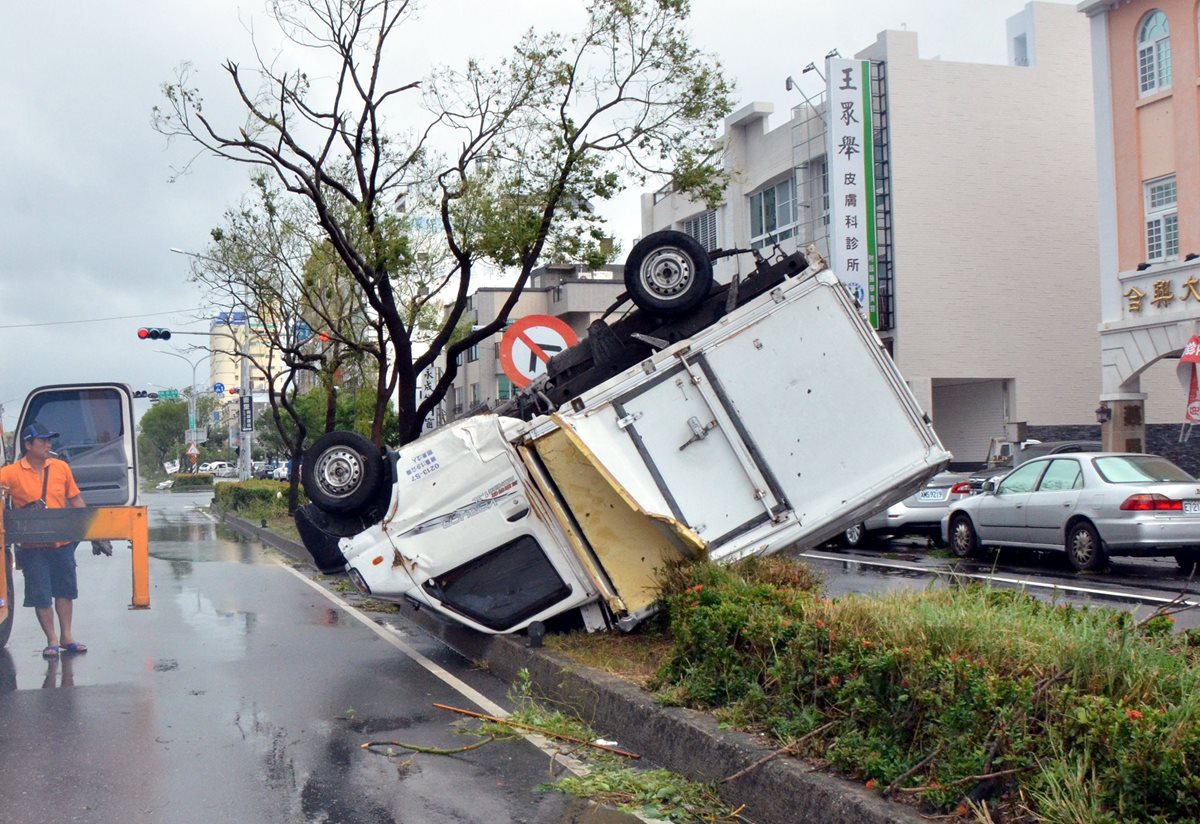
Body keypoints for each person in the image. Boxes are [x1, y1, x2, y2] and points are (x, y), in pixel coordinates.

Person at [0, 422, 91, 659]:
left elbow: (76, 499)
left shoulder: (61, 468)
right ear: (28, 444)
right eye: (42, 440)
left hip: (61, 543)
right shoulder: (9, 473)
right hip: (32, 546)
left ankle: (67, 636)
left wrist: (91, 531)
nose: (48, 444)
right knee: (41, 593)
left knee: (66, 590)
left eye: (49, 440)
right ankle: (51, 639)